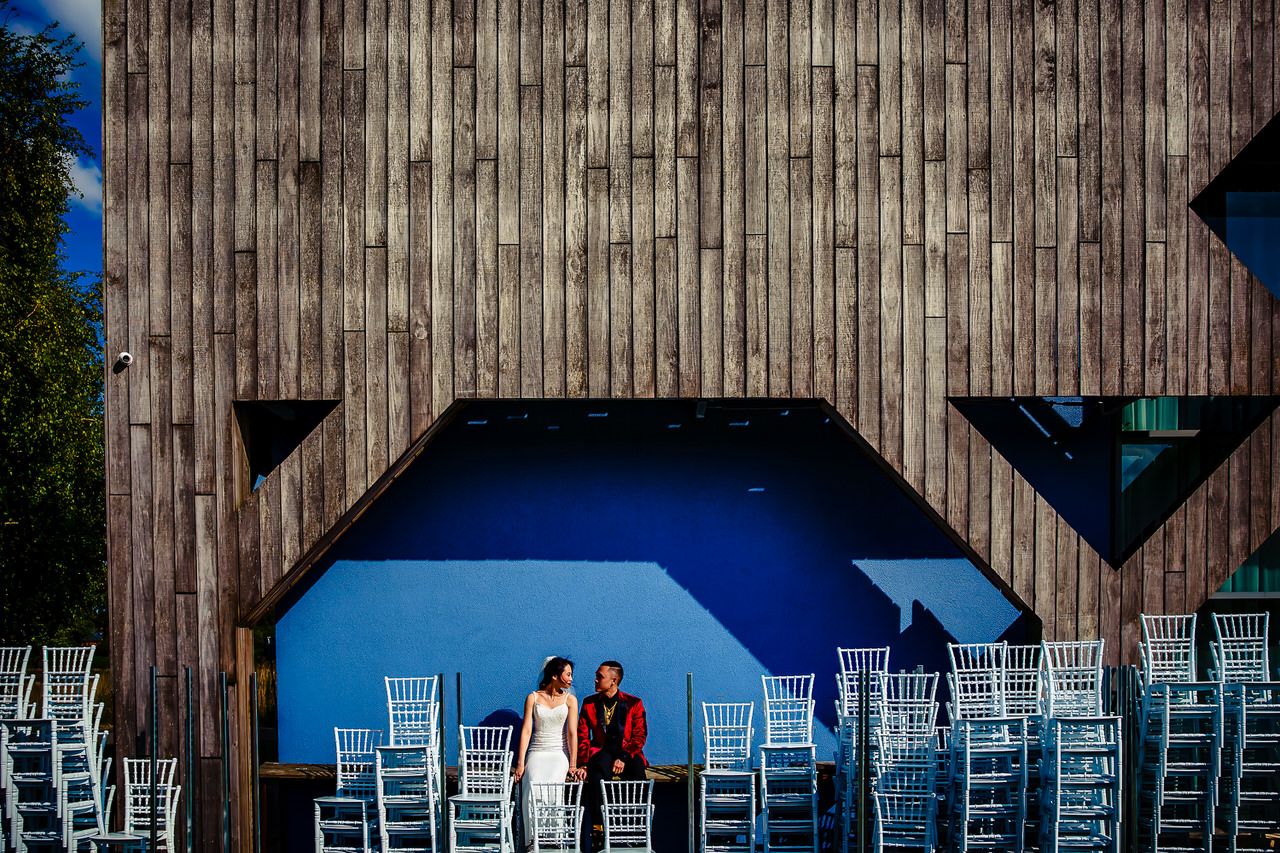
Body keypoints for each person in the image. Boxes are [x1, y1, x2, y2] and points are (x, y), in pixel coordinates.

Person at [576, 661, 647, 848]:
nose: (595, 679)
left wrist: (624, 757)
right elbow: (582, 736)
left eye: (600, 676)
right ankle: (599, 831)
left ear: (613, 680)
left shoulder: (634, 703)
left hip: (628, 752)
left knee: (639, 774)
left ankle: (637, 830)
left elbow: (639, 736)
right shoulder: (589, 703)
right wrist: (583, 763)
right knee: (596, 771)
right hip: (602, 751)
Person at [514, 656, 580, 851]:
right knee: (532, 782)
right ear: (554, 675)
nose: (570, 679)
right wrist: (520, 763)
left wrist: (573, 763)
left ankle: (554, 839)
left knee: (554, 785)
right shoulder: (533, 697)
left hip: (558, 752)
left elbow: (572, 733)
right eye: (567, 674)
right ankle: (534, 839)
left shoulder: (571, 700)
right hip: (537, 750)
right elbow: (526, 730)